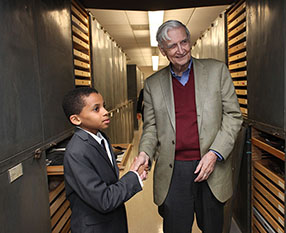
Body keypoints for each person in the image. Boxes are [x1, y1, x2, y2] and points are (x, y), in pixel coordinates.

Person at [137, 20, 243, 233]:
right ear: (163, 50)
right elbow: (151, 128)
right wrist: (144, 152)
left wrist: (214, 153)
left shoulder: (217, 71)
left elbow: (233, 116)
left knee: (213, 228)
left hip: (212, 166)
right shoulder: (152, 84)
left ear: (190, 41)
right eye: (172, 46)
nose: (180, 50)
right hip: (173, 171)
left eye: (184, 42)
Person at [62, 87, 148, 233]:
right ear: (76, 119)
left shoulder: (101, 137)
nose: (105, 112)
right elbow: (104, 200)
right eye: (96, 109)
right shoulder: (77, 152)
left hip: (111, 223)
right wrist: (134, 175)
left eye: (104, 106)